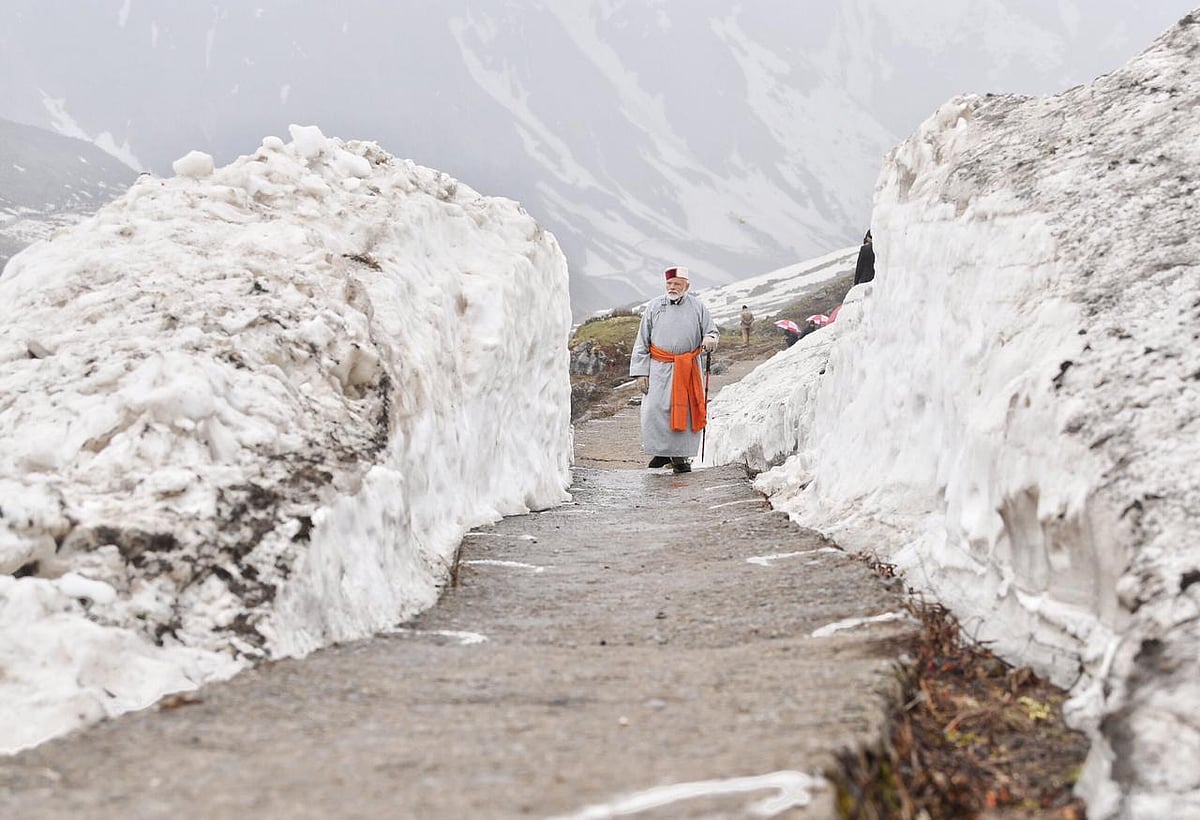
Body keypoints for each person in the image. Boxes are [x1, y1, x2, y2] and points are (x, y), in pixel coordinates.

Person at [630, 266, 719, 474]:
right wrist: (640, 372)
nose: (672, 287)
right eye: (669, 284)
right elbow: (642, 341)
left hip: (687, 368)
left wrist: (710, 339)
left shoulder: (698, 307)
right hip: (658, 367)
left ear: (686, 286)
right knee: (655, 409)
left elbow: (711, 331)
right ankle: (661, 452)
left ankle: (680, 458)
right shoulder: (653, 307)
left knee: (685, 411)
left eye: (677, 284)